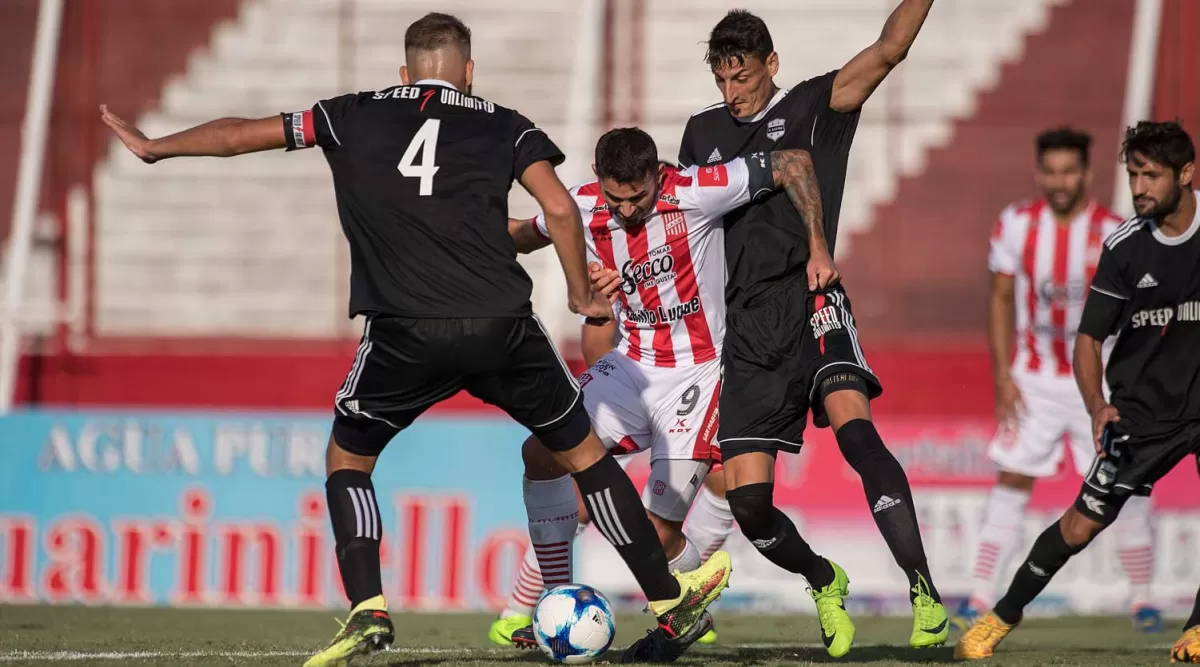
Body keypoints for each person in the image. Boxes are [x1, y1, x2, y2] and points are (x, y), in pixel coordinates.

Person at [99, 13, 731, 667]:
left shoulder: (347, 114)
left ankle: (368, 608)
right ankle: (668, 602)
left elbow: (239, 134)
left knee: (349, 461)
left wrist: (155, 145)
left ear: (405, 74)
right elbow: (565, 209)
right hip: (502, 325)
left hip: (404, 330)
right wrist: (580, 292)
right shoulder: (501, 121)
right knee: (587, 457)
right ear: (469, 72)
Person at [495, 128, 827, 662]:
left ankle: (690, 583)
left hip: (696, 377)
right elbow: (526, 234)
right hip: (631, 365)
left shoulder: (696, 190)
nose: (626, 210)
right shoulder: (580, 204)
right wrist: (452, 222)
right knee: (539, 452)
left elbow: (792, 160)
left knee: (652, 532)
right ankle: (556, 598)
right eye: (615, 198)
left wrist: (817, 246)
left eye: (638, 197)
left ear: (658, 176)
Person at [676, 2, 943, 656]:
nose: (732, 93)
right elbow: (689, 229)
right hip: (747, 327)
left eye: (743, 77)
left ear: (772, 64)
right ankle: (824, 578)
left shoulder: (814, 103)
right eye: (722, 80)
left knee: (857, 435)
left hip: (813, 295)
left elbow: (890, 48)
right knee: (749, 505)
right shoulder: (699, 132)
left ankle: (925, 592)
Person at [955, 121, 1200, 663]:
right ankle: (990, 607)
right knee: (1072, 514)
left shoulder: (1109, 225)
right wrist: (1088, 402)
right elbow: (1066, 328)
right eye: (1133, 174)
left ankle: (1165, 611)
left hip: (1163, 390)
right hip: (1092, 393)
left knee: (1134, 504)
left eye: (1150, 175)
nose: (1139, 186)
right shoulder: (1112, 241)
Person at [487, 317, 735, 648]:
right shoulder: (611, 266)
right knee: (549, 461)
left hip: (696, 379)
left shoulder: (711, 270)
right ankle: (536, 609)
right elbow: (596, 328)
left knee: (684, 515)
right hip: (629, 377)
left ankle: (686, 601)